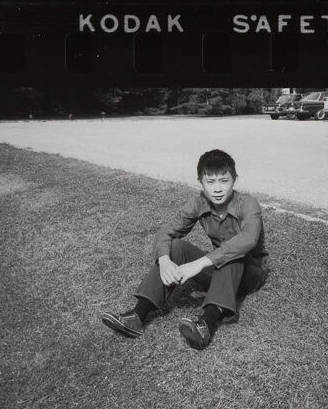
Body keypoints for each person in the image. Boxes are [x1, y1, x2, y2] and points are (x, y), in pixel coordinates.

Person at [98, 149, 268, 350]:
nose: (218, 189)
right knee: (175, 246)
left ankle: (207, 323)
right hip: (220, 272)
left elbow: (247, 239)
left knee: (232, 253)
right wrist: (164, 260)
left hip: (249, 272)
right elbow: (166, 232)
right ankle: (137, 316)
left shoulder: (248, 204)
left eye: (224, 181)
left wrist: (199, 263)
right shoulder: (198, 202)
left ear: (234, 180)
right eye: (210, 182)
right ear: (200, 182)